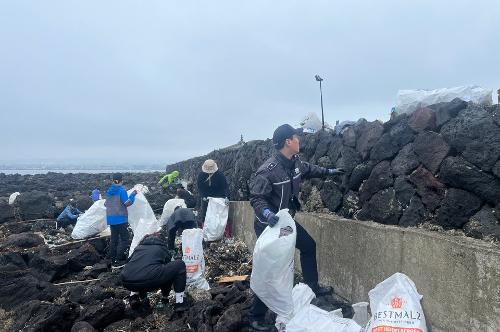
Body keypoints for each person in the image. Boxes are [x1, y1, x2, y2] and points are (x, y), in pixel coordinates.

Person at [248, 124, 345, 330]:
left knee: (309, 246)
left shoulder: (295, 163)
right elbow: (256, 198)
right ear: (287, 142)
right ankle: (255, 316)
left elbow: (309, 170)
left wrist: (330, 171)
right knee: (270, 269)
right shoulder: (267, 171)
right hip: (268, 226)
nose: (299, 140)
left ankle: (312, 288)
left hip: (286, 223)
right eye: (296, 137)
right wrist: (267, 214)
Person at [120, 232, 187, 312]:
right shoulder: (161, 248)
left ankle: (134, 296)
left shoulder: (138, 248)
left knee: (139, 268)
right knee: (179, 265)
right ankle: (180, 302)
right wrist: (165, 296)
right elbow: (169, 274)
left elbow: (129, 263)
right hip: (149, 280)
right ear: (161, 240)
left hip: (126, 281)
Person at [105, 173, 137, 268]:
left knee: (114, 240)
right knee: (124, 239)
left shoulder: (109, 192)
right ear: (122, 180)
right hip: (121, 219)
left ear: (113, 180)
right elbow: (127, 203)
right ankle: (119, 259)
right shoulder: (121, 190)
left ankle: (112, 259)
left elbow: (105, 204)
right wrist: (133, 195)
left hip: (111, 219)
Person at [197, 159, 229, 223]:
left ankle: (221, 231)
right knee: (205, 215)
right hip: (206, 198)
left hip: (219, 198)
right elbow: (200, 187)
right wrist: (203, 196)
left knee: (219, 216)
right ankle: (206, 230)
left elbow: (225, 187)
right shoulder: (201, 175)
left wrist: (227, 197)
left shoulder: (220, 175)